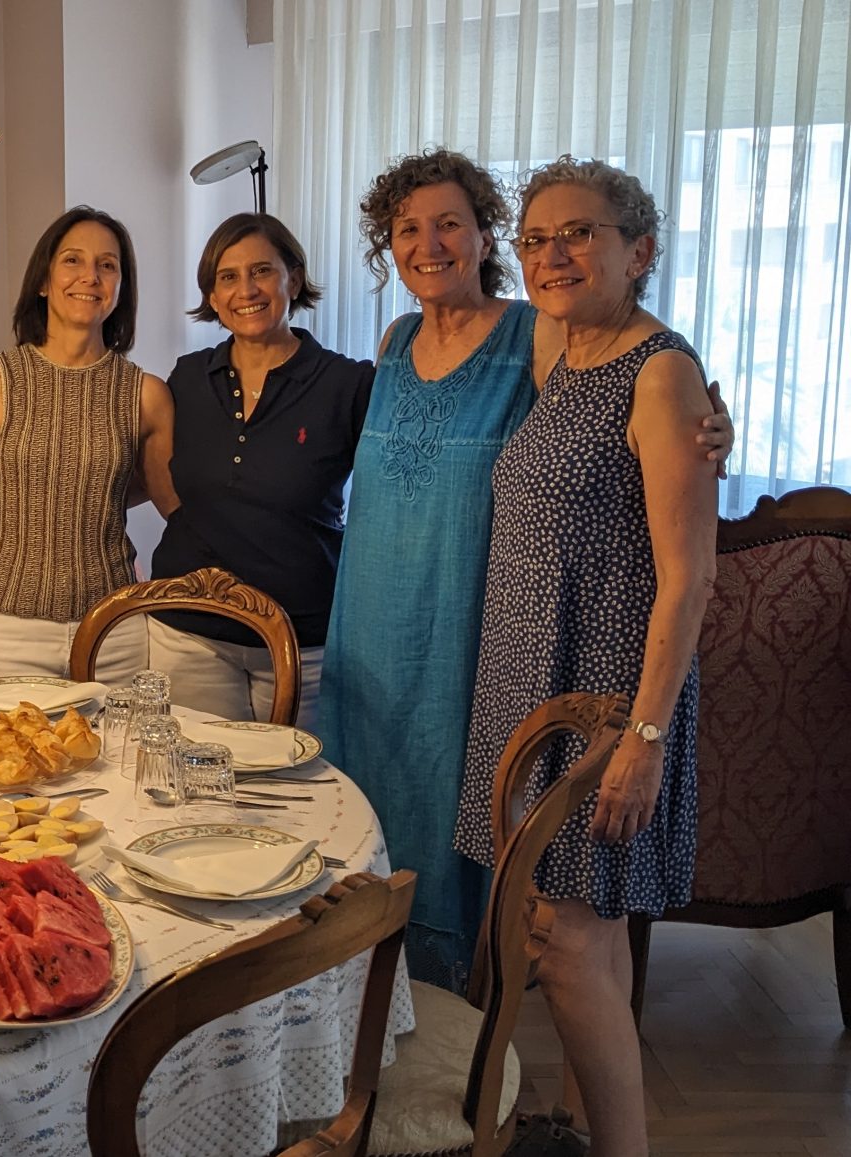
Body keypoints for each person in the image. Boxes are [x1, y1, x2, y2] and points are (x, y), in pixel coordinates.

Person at [314, 149, 732, 993]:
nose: (428, 244)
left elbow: (620, 375)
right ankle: (374, 1009)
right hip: (371, 630)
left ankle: (460, 1023)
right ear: (385, 247)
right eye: (407, 230)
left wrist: (710, 423)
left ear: (482, 237)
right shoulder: (393, 342)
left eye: (449, 225)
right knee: (369, 822)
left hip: (473, 636)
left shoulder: (533, 330)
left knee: (510, 885)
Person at [454, 158, 718, 1157]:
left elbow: (688, 577)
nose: (552, 253)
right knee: (566, 939)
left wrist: (642, 738)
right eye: (535, 237)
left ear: (637, 251)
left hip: (607, 706)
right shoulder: (564, 355)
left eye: (580, 233)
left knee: (569, 945)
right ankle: (572, 1123)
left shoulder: (661, 372)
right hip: (533, 685)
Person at [146, 214, 371, 728]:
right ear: (212, 293)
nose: (245, 290)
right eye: (227, 277)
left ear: (292, 276)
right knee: (197, 793)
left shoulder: (346, 383)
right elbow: (159, 476)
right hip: (189, 631)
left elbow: (389, 499)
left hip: (301, 639)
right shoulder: (187, 376)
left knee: (297, 797)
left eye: (262, 271)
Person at [0, 206, 176, 687]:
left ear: (119, 288)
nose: (89, 276)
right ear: (43, 281)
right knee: (1, 763)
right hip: (7, 633)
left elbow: (176, 503)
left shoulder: (146, 394)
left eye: (107, 265)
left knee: (120, 761)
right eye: (72, 260)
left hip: (114, 631)